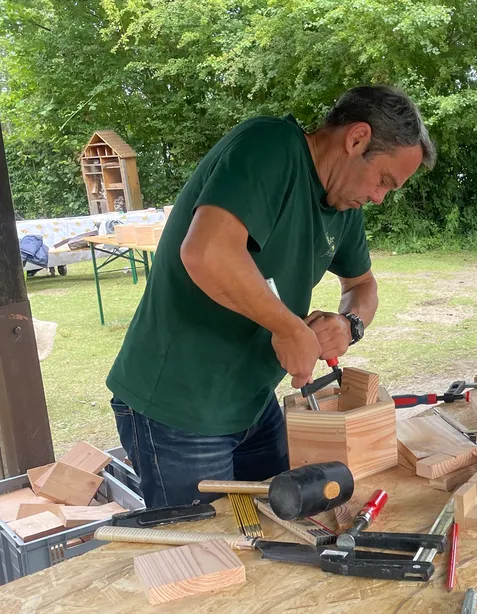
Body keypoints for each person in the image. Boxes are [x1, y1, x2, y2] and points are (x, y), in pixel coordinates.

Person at [106, 85, 435, 508]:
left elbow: (362, 285)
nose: (378, 197)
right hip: (179, 408)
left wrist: (348, 324)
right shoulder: (269, 147)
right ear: (356, 139)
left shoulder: (343, 208)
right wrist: (288, 327)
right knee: (205, 557)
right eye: (384, 180)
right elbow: (206, 252)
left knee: (282, 523)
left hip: (253, 405)